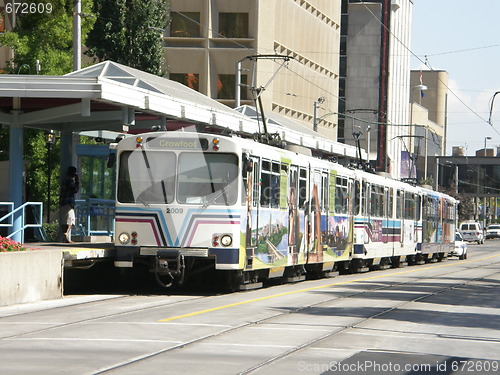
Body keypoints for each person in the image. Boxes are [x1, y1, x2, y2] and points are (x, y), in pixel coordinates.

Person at [59, 166, 79, 243]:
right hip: (68, 202)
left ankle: (65, 238)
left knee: (64, 220)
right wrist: (77, 181)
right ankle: (66, 233)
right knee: (71, 220)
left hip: (62, 202)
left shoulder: (64, 180)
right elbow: (75, 190)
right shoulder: (69, 180)